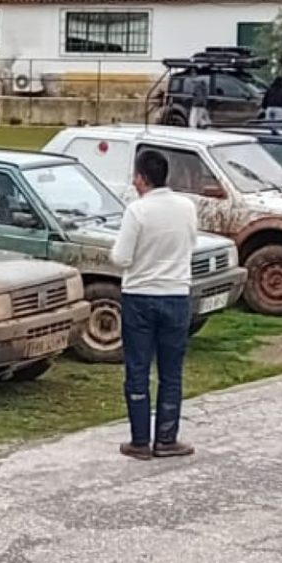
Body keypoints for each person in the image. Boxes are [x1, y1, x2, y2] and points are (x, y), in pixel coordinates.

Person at [108, 147, 199, 461]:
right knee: (171, 372)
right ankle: (167, 437)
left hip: (140, 296)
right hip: (175, 294)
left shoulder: (138, 211)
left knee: (138, 368)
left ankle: (140, 439)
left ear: (141, 178)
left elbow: (121, 257)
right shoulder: (187, 207)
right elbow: (192, 243)